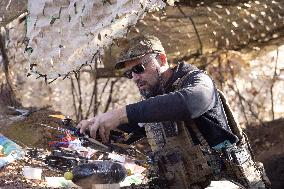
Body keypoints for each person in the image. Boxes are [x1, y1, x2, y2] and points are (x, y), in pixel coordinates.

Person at [77, 35, 269, 188]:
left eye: (139, 68)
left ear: (161, 59)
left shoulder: (197, 82)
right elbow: (133, 124)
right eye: (129, 74)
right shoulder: (156, 101)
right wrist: (97, 124)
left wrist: (121, 113)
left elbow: (189, 103)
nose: (135, 77)